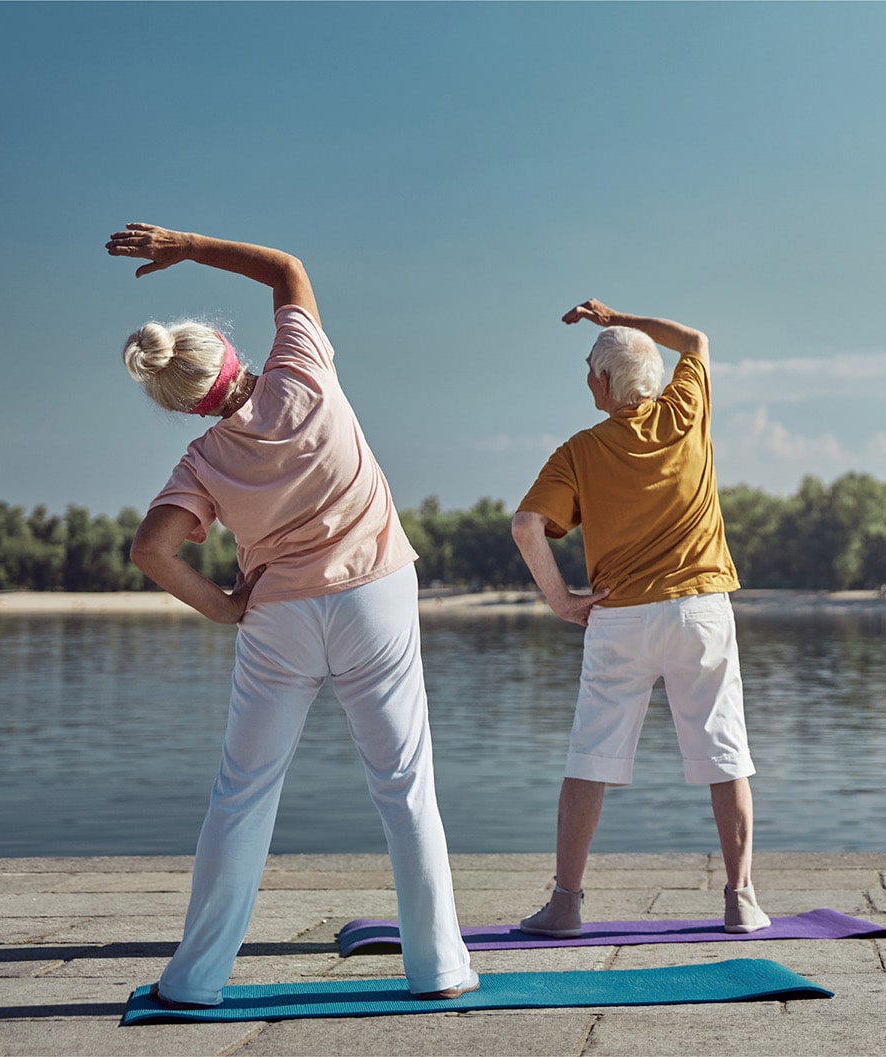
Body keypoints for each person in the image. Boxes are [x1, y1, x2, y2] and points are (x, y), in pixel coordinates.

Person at [105, 223, 477, 1007]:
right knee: (404, 784)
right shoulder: (302, 373)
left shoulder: (202, 459)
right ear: (229, 356)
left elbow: (151, 548)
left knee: (242, 792)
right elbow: (286, 268)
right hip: (374, 594)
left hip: (278, 616)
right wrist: (184, 245)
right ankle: (438, 969)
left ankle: (194, 979)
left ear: (181, 404)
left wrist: (226, 607)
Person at [511, 298, 769, 936]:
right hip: (701, 611)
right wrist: (619, 318)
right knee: (723, 751)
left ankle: (566, 904)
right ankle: (740, 901)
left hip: (620, 618)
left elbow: (526, 526)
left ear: (602, 385)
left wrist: (562, 602)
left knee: (590, 757)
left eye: (589, 373)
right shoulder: (686, 410)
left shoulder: (578, 451)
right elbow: (696, 337)